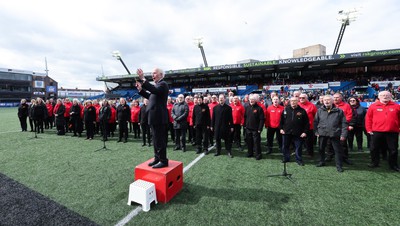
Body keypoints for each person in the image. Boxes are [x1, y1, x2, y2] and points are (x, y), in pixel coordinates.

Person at [136, 68, 169, 168]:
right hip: (154, 117)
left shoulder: (163, 84)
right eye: (152, 73)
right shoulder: (157, 86)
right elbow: (150, 96)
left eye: (154, 73)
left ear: (161, 75)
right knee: (155, 139)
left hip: (159, 117)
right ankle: (157, 158)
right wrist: (141, 90)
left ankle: (163, 160)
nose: (152, 75)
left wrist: (142, 79)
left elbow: (153, 90)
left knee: (159, 140)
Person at [365, 91, 399, 172]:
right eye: (383, 95)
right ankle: (374, 163)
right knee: (374, 148)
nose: (385, 96)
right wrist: (369, 129)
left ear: (391, 96)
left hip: (392, 131)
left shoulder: (397, 106)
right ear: (379, 97)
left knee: (393, 149)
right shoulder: (373, 106)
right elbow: (368, 119)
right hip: (376, 131)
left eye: (387, 95)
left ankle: (393, 164)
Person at [314, 95, 348, 172]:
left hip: (335, 133)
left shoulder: (339, 111)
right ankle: (322, 161)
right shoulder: (319, 110)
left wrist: (343, 134)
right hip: (322, 133)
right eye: (325, 100)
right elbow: (315, 122)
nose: (326, 101)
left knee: (337, 150)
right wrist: (316, 131)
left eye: (328, 100)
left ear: (332, 101)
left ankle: (339, 165)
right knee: (321, 149)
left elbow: (344, 123)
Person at [279, 97, 309, 165]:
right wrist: (281, 129)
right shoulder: (285, 110)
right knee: (285, 146)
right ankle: (286, 158)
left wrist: (305, 132)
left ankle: (298, 159)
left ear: (298, 101)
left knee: (298, 147)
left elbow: (306, 123)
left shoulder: (302, 111)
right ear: (290, 102)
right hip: (286, 132)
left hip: (298, 132)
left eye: (295, 101)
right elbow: (281, 121)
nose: (293, 102)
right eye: (292, 101)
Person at [244, 94, 265, 160]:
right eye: (250, 99)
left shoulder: (259, 108)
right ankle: (250, 153)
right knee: (249, 142)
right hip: (248, 128)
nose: (251, 101)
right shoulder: (247, 107)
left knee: (256, 143)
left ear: (255, 100)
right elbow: (245, 117)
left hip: (256, 129)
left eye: (253, 100)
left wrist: (260, 128)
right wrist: (245, 125)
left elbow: (262, 119)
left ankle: (258, 154)